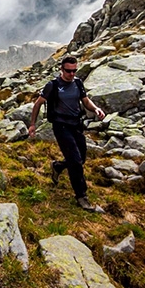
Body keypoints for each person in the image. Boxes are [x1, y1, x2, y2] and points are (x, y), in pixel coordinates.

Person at [28, 56, 105, 211]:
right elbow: (38, 104)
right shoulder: (53, 85)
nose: (71, 74)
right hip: (61, 126)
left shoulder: (78, 83)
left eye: (74, 70)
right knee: (75, 161)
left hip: (76, 124)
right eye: (68, 71)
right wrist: (32, 125)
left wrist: (96, 109)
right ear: (61, 70)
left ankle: (57, 166)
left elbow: (85, 100)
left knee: (81, 158)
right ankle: (81, 196)